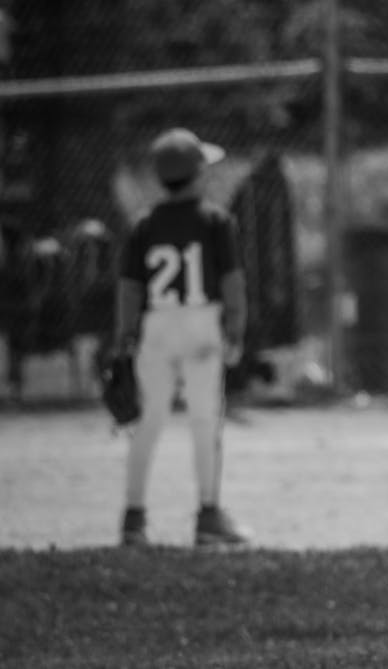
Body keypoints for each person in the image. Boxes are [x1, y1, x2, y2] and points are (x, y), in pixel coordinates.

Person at [114, 128, 251, 546]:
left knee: (148, 422)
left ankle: (133, 520)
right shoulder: (215, 220)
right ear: (195, 175)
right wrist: (236, 330)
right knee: (205, 420)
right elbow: (232, 284)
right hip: (200, 324)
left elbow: (130, 289)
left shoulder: (143, 224)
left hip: (156, 327)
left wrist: (123, 338)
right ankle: (208, 516)